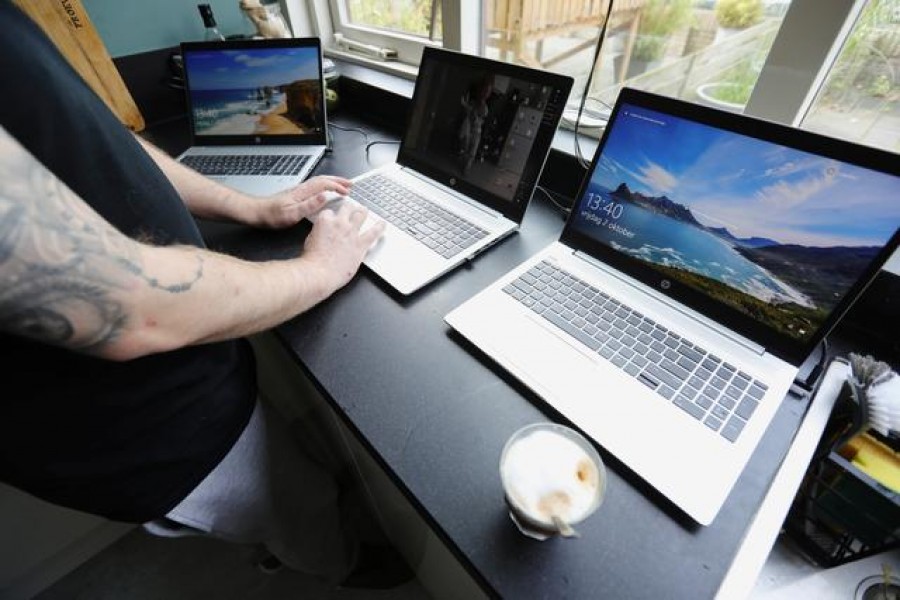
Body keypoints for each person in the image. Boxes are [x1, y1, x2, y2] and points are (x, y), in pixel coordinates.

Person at [0, 1, 405, 589]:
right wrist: (320, 270)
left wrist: (251, 207)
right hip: (136, 421)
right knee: (292, 507)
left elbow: (100, 138)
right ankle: (339, 563)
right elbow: (128, 309)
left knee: (289, 468)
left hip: (191, 368)